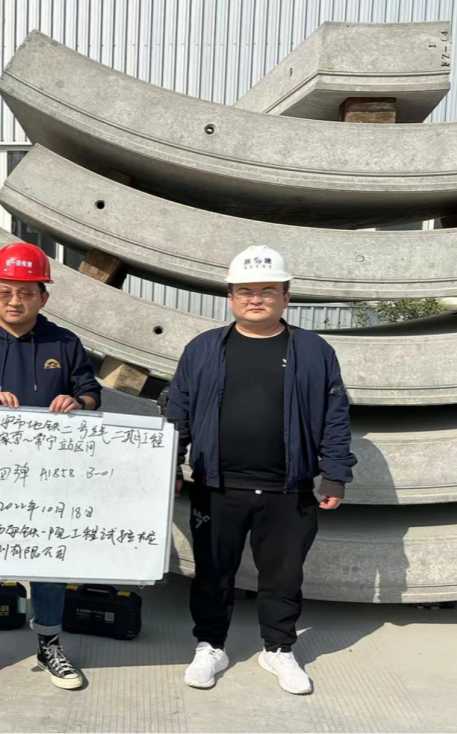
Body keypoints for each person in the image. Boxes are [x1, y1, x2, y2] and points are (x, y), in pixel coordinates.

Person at [165, 245, 356, 695]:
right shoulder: (203, 348)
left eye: (268, 290)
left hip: (288, 489)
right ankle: (211, 646)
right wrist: (170, 465)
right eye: (246, 291)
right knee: (213, 573)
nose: (256, 299)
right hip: (217, 486)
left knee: (283, 576)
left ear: (286, 297)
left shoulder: (313, 350)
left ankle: (279, 648)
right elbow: (178, 411)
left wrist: (334, 473)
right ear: (230, 297)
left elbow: (335, 416)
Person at [0, 240, 102, 701]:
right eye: (6, 292)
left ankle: (49, 644)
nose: (15, 301)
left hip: (50, 477)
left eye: (26, 292)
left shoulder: (64, 343)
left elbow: (91, 391)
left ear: (43, 296)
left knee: (48, 566)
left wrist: (78, 401)